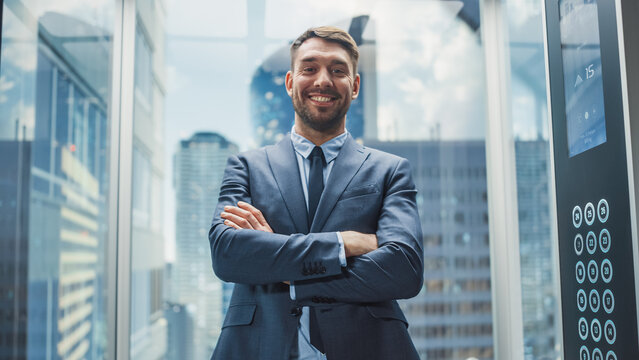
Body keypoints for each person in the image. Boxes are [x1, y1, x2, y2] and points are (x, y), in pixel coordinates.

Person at [208, 26, 423, 360]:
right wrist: (343, 244)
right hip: (258, 347)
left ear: (354, 86)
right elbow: (228, 254)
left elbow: (403, 269)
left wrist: (286, 274)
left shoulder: (391, 170)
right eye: (310, 68)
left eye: (338, 70)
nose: (323, 80)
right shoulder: (246, 167)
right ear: (291, 82)